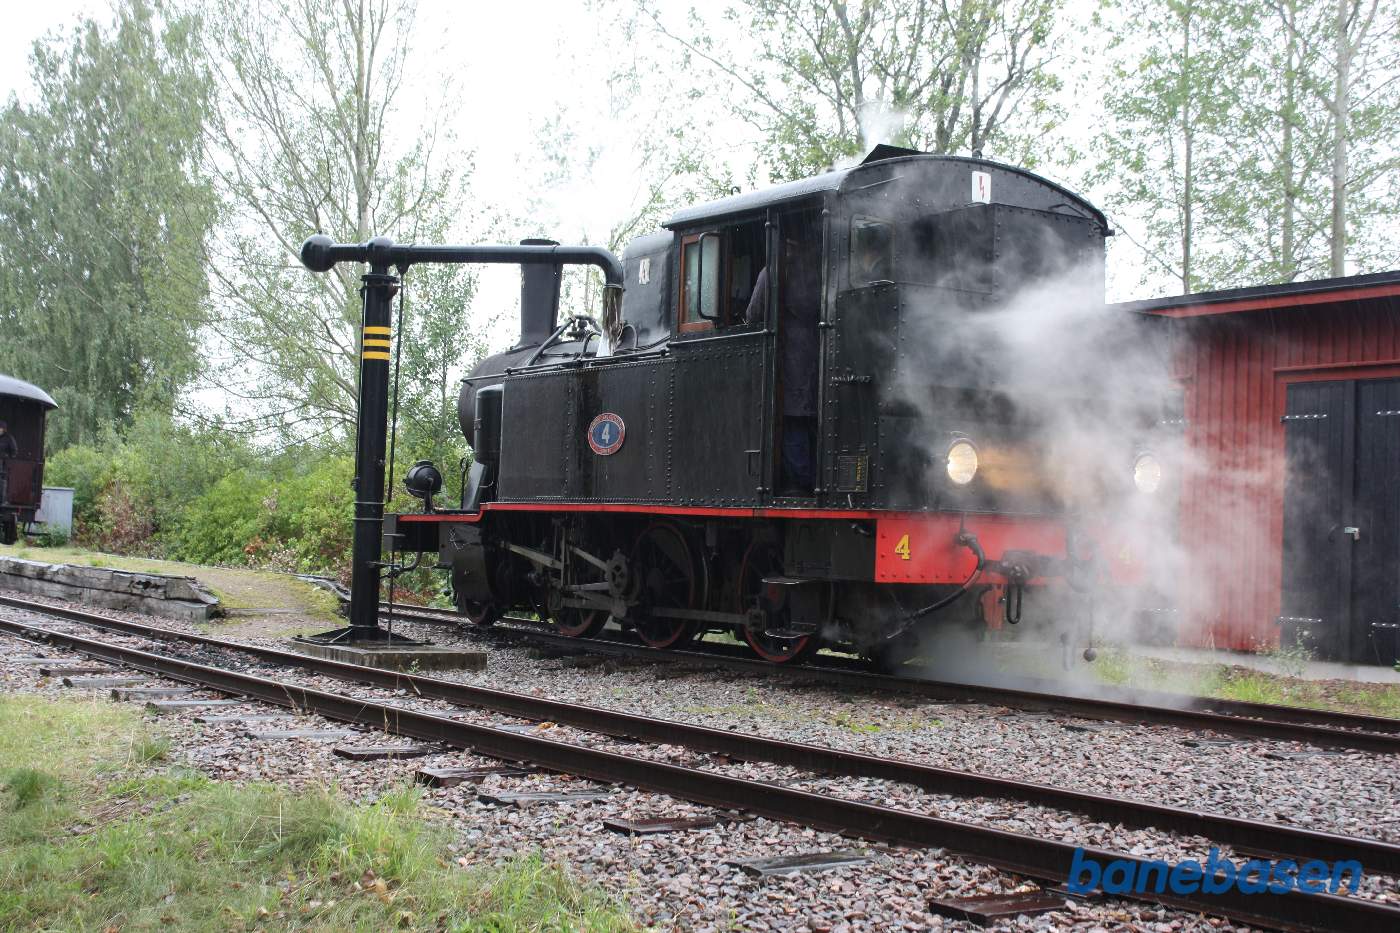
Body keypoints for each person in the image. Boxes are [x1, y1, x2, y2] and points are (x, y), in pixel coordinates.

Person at [745, 230, 821, 496]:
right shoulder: (817, 274)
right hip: (814, 358)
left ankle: (801, 483)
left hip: (789, 360)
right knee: (808, 424)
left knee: (791, 422)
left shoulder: (773, 272)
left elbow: (753, 314)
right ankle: (811, 479)